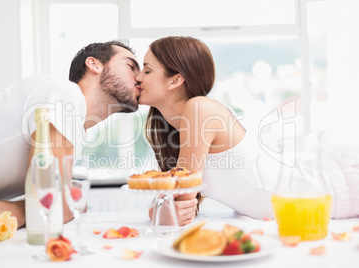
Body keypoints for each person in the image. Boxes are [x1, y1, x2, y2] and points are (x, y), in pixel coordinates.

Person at [135, 36, 359, 224]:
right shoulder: (179, 127)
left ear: (175, 80)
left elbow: (180, 202)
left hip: (335, 184)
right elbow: (177, 208)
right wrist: (163, 210)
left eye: (147, 70)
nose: (138, 77)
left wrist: (161, 210)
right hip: (318, 197)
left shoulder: (200, 108)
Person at [0, 40, 141, 228]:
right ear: (94, 64)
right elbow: (52, 207)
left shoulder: (75, 128)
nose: (140, 77)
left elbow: (59, 205)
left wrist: (28, 208)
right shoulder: (64, 94)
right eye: (131, 66)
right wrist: (27, 209)